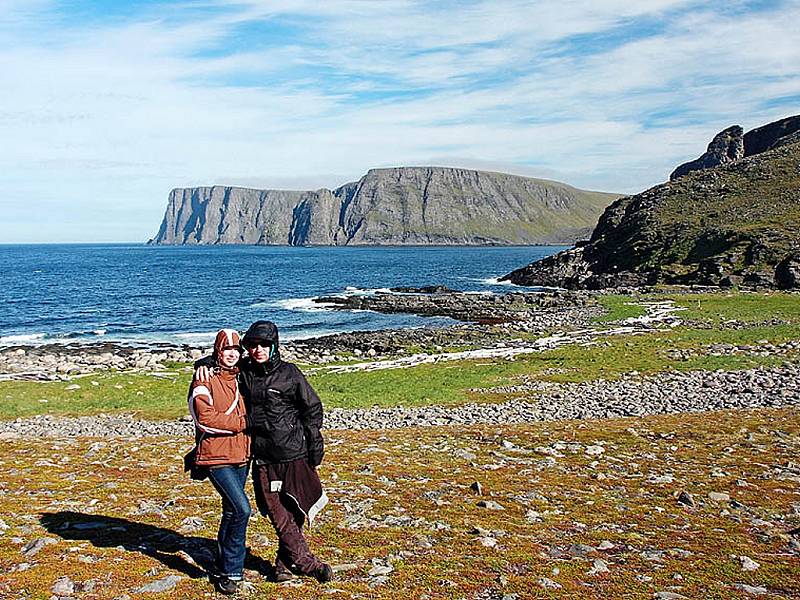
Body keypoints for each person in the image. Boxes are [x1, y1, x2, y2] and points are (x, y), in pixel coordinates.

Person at [197, 320, 332, 584]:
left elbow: (313, 408)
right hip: (262, 459)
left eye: (265, 344)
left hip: (294, 454)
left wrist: (314, 443)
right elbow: (223, 361)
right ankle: (308, 563)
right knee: (277, 513)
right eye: (253, 345)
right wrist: (202, 364)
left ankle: (283, 565)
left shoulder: (290, 373)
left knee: (295, 511)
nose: (258, 349)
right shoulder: (245, 372)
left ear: (274, 346)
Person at [188, 329, 251, 595]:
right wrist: (244, 423)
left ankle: (222, 558)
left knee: (230, 511)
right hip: (216, 456)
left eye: (236, 350)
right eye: (227, 349)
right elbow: (205, 418)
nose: (232, 354)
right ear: (217, 351)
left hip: (243, 454)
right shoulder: (203, 379)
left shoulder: (244, 377)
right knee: (242, 510)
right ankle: (231, 571)